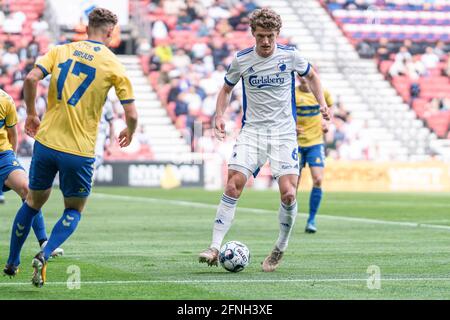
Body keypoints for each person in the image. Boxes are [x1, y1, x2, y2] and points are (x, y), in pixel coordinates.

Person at [4, 8, 138, 287]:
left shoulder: (60, 50)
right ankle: (46, 251)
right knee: (73, 210)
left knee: (31, 202)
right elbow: (132, 114)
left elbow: (30, 79)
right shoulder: (113, 64)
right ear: (111, 33)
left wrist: (31, 114)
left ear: (86, 27)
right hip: (79, 150)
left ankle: (12, 261)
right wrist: (129, 130)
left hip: (46, 143)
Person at [198, 8, 329, 272]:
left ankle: (280, 247)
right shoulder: (242, 60)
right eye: (261, 36)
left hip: (283, 133)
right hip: (253, 132)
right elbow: (226, 89)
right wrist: (219, 115)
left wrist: (322, 103)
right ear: (253, 35)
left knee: (289, 194)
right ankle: (214, 246)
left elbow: (312, 76)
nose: (266, 42)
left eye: (270, 36)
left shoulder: (290, 55)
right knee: (233, 185)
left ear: (277, 34)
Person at [1, 89, 63, 279]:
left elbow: (12, 135)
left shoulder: (5, 100)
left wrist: (12, 159)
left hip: (3, 157)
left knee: (29, 191)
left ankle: (44, 242)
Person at [295, 75, 333, 233]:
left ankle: (311, 219)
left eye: (307, 76)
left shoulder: (322, 92)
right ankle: (288, 218)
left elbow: (330, 107)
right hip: (295, 143)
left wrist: (326, 121)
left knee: (318, 179)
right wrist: (292, 126)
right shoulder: (292, 94)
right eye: (301, 75)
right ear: (297, 77)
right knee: (292, 186)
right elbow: (284, 114)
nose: (304, 78)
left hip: (315, 142)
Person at [94, 97, 115, 170]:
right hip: (85, 140)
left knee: (93, 164)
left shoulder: (107, 103)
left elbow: (112, 124)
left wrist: (111, 145)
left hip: (98, 143)